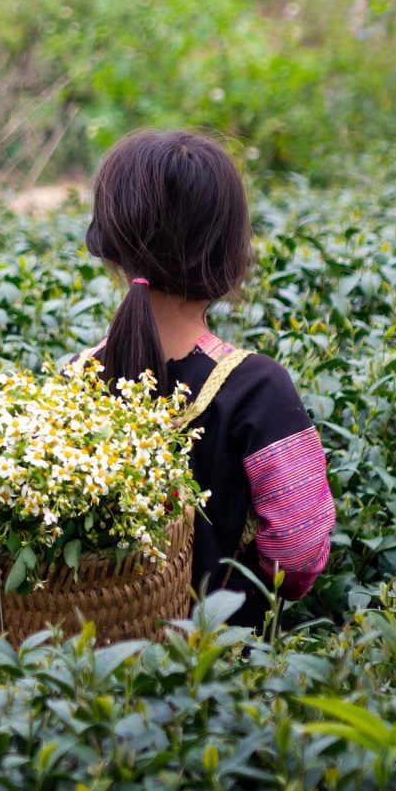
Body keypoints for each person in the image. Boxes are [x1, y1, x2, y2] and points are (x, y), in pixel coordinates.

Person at [82, 128, 334, 628]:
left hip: (90, 674)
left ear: (107, 246)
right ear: (227, 253)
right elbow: (300, 551)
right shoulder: (259, 390)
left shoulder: (74, 378)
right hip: (219, 674)